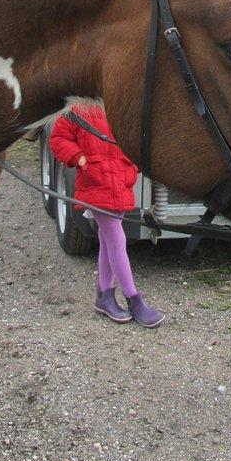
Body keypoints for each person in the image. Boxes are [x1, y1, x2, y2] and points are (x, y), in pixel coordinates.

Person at [49, 105, 165, 328]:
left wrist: (132, 164)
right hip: (96, 184)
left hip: (121, 183)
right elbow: (58, 139)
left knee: (107, 240)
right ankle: (134, 299)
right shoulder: (77, 109)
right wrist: (80, 159)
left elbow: (135, 138)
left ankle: (105, 296)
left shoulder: (118, 107)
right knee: (116, 239)